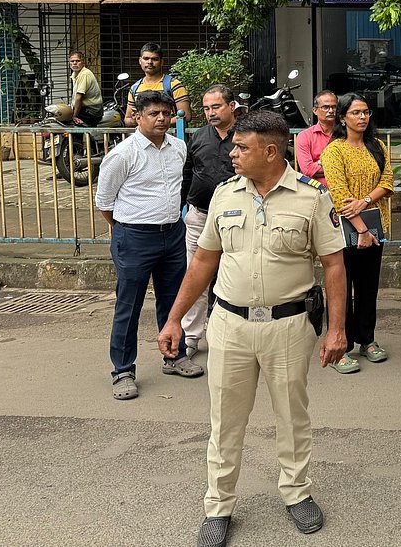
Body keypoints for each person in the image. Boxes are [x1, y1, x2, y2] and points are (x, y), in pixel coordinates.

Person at [155, 110, 348, 547]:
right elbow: (204, 260)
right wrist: (174, 318)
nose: (233, 153)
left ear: (271, 151)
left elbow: (334, 265)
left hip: (288, 326)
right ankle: (218, 506)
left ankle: (297, 493)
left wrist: (337, 329)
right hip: (230, 325)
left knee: (292, 416)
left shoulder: (311, 197)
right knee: (225, 420)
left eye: (242, 147)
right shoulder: (225, 194)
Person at [94, 90, 203, 400]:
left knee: (173, 300)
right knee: (129, 305)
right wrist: (126, 229)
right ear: (138, 117)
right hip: (134, 237)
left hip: (173, 234)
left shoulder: (178, 148)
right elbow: (104, 201)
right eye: (154, 113)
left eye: (166, 113)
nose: (161, 119)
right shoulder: (123, 154)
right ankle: (123, 371)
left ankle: (175, 356)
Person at [319, 93, 395, 373]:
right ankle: (340, 347)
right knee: (341, 287)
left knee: (368, 286)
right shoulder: (334, 151)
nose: (362, 117)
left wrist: (364, 201)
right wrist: (361, 229)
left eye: (366, 112)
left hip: (376, 226)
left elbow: (388, 181)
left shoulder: (377, 146)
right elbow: (340, 197)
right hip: (344, 230)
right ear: (342, 118)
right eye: (356, 113)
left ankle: (367, 339)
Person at [179, 85, 238, 359]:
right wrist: (181, 208)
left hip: (237, 220)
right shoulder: (199, 136)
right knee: (196, 277)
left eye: (216, 107)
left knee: (233, 277)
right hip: (200, 216)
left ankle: (232, 335)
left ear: (231, 106)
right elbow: (187, 174)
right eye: (206, 108)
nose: (210, 113)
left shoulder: (246, 135)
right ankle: (191, 336)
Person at [125, 42, 191, 124]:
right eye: (146, 58)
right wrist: (135, 120)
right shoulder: (134, 88)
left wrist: (155, 123)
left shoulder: (173, 85)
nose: (150, 62)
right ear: (140, 60)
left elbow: (186, 115)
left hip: (169, 132)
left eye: (154, 59)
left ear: (161, 62)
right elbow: (127, 119)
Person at [295, 90, 337, 185]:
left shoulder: (346, 134)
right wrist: (340, 168)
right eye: (325, 107)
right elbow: (307, 169)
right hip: (315, 190)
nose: (331, 111)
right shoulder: (305, 136)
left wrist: (319, 163)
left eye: (334, 107)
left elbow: (353, 166)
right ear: (314, 110)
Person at [68, 51, 103, 126]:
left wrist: (74, 116)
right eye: (72, 61)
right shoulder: (75, 74)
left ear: (83, 62)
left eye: (77, 61)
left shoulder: (84, 74)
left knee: (69, 122)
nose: (74, 63)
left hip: (91, 111)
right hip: (85, 109)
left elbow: (79, 98)